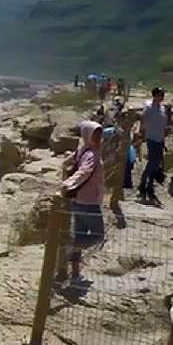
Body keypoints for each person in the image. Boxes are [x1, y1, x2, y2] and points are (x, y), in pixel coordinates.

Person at [59, 120, 106, 288]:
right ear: (88, 135)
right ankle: (69, 249)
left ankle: (75, 274)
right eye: (96, 134)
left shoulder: (81, 150)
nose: (99, 137)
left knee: (80, 235)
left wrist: (66, 179)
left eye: (100, 134)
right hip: (89, 202)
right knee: (98, 236)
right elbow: (84, 172)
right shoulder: (91, 154)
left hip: (78, 201)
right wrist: (68, 183)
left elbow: (65, 163)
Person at [138, 88, 168, 203]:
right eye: (160, 95)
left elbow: (164, 123)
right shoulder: (149, 108)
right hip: (151, 137)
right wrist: (141, 134)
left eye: (162, 95)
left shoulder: (162, 108)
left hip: (159, 138)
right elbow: (143, 121)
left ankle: (149, 185)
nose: (161, 97)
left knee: (156, 164)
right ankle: (144, 184)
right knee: (152, 162)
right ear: (154, 96)